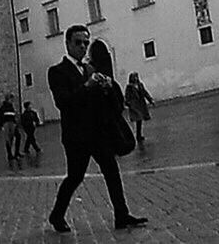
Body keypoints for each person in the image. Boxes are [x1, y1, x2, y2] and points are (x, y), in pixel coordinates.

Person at [47, 25, 148, 233]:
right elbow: (64, 102)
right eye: (78, 42)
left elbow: (112, 102)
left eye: (86, 42)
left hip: (98, 133)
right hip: (76, 137)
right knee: (75, 177)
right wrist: (87, 87)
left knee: (112, 171)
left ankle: (122, 215)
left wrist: (109, 87)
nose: (82, 46)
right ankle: (57, 215)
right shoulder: (57, 72)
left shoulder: (91, 70)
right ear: (67, 44)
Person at [125, 72, 154, 142]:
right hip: (134, 106)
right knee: (138, 119)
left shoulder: (140, 85)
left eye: (136, 77)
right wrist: (128, 103)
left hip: (141, 104)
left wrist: (150, 100)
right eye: (134, 77)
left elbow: (144, 92)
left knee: (140, 120)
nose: (136, 78)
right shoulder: (129, 87)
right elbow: (127, 96)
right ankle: (138, 135)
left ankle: (139, 135)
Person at [0, 93, 22, 162]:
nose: (12, 100)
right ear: (8, 99)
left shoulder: (11, 107)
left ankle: (16, 153)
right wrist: (1, 125)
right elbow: (0, 117)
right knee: (9, 139)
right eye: (11, 99)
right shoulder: (3, 108)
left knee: (18, 137)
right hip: (7, 124)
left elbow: (13, 116)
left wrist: (16, 122)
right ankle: (10, 154)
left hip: (13, 124)